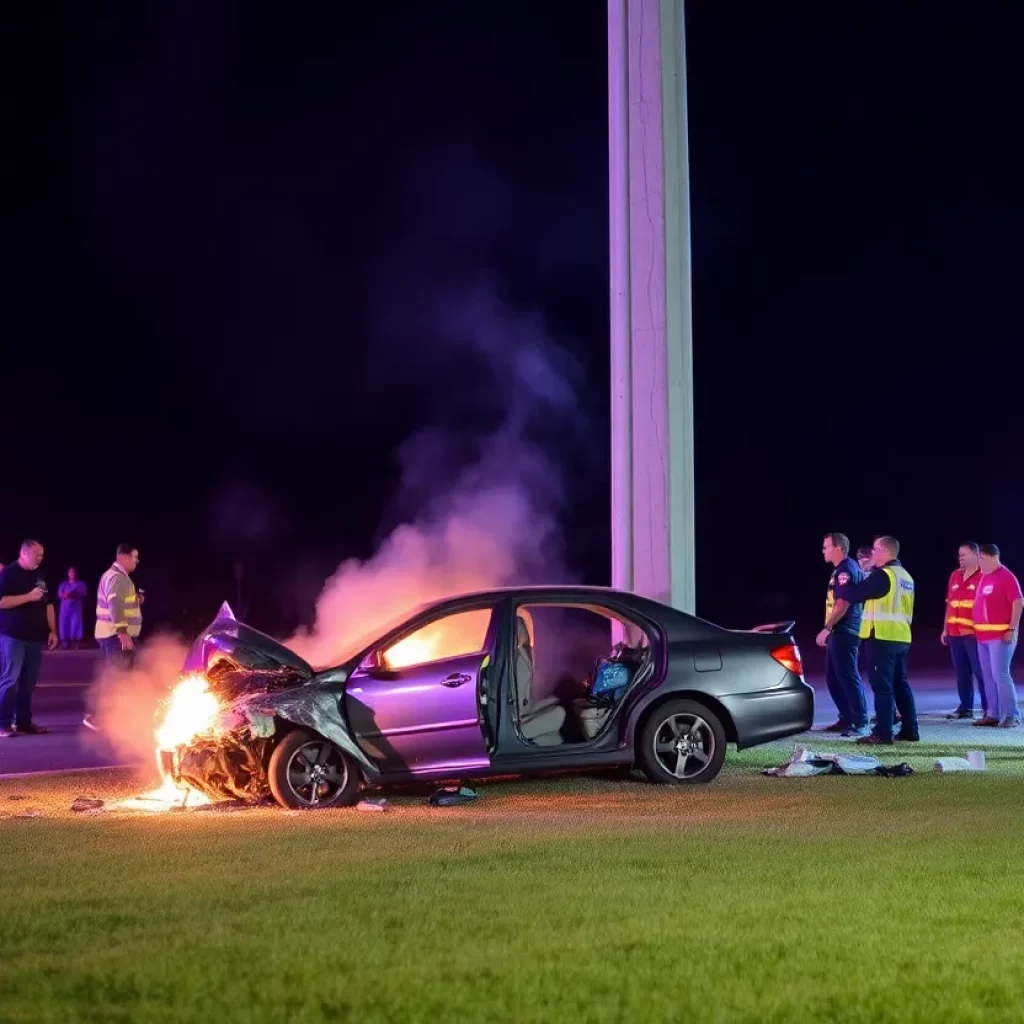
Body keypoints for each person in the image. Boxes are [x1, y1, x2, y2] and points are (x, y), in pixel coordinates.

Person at [834, 535, 919, 745]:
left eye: (875, 549)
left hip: (882, 637)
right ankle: (910, 729)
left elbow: (856, 594)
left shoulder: (884, 575)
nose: (872, 553)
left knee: (882, 687)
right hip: (901, 636)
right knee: (900, 685)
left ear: (885, 551)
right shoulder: (905, 575)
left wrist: (845, 581)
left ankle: (882, 732)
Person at [0, 539, 58, 738]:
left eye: (42, 555)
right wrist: (28, 597)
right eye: (37, 554)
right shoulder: (9, 573)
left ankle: (24, 722)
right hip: (13, 637)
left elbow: (48, 605)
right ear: (24, 552)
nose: (40, 558)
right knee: (10, 680)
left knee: (28, 683)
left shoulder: (40, 574)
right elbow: (1, 602)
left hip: (36, 638)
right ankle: (3, 724)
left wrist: (53, 631)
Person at [815, 532, 869, 736]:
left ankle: (860, 722)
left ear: (838, 548)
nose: (823, 550)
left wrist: (827, 628)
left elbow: (842, 603)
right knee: (833, 678)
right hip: (840, 630)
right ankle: (847, 717)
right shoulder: (840, 569)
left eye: (826, 546)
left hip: (845, 631)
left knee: (848, 676)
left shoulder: (846, 570)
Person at [85, 544, 143, 732]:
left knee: (121, 674)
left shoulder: (118, 577)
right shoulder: (117, 578)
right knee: (116, 674)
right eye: (134, 557)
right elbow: (115, 605)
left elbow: (122, 603)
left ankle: (114, 716)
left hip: (112, 634)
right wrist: (123, 633)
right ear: (123, 557)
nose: (137, 561)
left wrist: (136, 599)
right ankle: (98, 717)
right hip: (114, 635)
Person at [970, 544, 1022, 728]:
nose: (979, 563)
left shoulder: (1006, 576)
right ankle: (993, 714)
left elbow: (1018, 602)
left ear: (993, 557)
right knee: (988, 676)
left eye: (981, 559)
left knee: (1000, 674)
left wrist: (1011, 628)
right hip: (983, 636)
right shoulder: (984, 578)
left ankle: (1011, 715)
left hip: (1000, 636)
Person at [940, 542, 987, 719]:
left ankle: (989, 709)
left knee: (981, 672)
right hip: (955, 633)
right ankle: (965, 707)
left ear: (976, 554)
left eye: (964, 554)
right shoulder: (954, 575)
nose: (960, 558)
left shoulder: (983, 575)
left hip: (974, 634)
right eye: (959, 555)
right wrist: (945, 629)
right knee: (962, 673)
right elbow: (950, 604)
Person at [58, 568, 88, 650]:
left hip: (76, 608)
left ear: (76, 574)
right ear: (68, 574)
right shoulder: (64, 584)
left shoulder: (80, 584)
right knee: (64, 624)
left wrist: (74, 594)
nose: (72, 574)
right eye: (70, 572)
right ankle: (64, 643)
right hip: (65, 608)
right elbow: (60, 594)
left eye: (73, 572)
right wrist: (66, 595)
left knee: (75, 624)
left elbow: (84, 593)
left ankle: (75, 643)